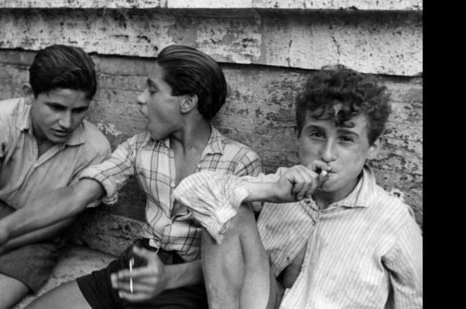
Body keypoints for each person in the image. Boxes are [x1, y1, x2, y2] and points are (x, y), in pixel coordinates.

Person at [0, 45, 263, 308]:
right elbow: (76, 194)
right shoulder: (139, 146)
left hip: (187, 281)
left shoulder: (239, 162)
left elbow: (246, 260)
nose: (140, 99)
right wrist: (2, 231)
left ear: (187, 102)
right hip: (135, 264)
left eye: (152, 90)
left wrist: (169, 278)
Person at [174, 64, 423, 308]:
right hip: (264, 300)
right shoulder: (281, 185)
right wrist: (272, 192)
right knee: (230, 206)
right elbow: (191, 191)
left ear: (373, 147)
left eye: (346, 139)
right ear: (298, 135)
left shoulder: (393, 219)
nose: (326, 154)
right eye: (316, 134)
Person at [0, 44, 111, 309]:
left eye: (78, 110)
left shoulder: (95, 148)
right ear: (29, 95)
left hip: (38, 236)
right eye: (56, 107)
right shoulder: (2, 115)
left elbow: (61, 219)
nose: (66, 122)